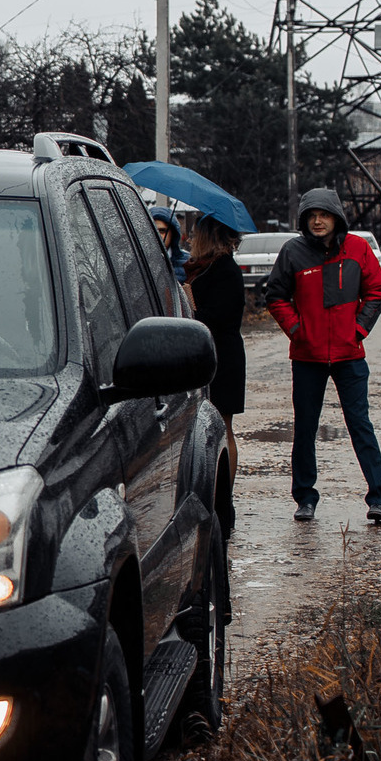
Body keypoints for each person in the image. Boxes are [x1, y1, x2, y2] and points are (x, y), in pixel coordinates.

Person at [261, 187, 381, 525]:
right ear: (304, 221)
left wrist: (358, 330)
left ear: (337, 217)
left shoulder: (358, 249)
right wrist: (296, 330)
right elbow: (275, 296)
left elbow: (377, 292)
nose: (318, 221)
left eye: (324, 215)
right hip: (307, 357)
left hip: (350, 356)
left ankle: (378, 498)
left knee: (360, 425)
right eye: (311, 216)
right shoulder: (293, 252)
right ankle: (305, 499)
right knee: (305, 428)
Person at [181, 214, 244, 537]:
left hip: (223, 356)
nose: (190, 236)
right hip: (205, 354)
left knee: (223, 424)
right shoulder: (203, 267)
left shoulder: (225, 270)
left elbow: (218, 317)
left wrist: (190, 304)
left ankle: (225, 503)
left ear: (209, 235)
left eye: (195, 232)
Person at [149, 210, 190, 284]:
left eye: (162, 231)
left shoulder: (188, 263)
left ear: (173, 233)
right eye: (153, 230)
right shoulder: (137, 261)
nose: (158, 235)